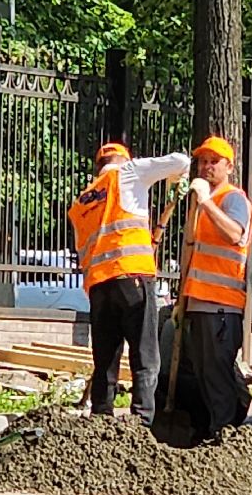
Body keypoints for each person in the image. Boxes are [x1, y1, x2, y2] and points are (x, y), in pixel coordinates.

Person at [68, 141, 190, 425]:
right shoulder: (127, 172)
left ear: (99, 165)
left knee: (106, 359)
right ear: (124, 159)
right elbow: (181, 162)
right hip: (132, 277)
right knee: (145, 354)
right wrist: (176, 182)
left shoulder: (82, 202)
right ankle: (142, 421)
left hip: (99, 287)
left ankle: (101, 417)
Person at [164, 134, 252, 439]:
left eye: (214, 161)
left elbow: (234, 234)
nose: (206, 167)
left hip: (222, 308)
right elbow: (191, 251)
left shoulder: (233, 199)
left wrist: (204, 202)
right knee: (204, 374)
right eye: (202, 161)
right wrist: (182, 299)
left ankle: (225, 433)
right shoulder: (203, 204)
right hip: (199, 303)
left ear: (229, 165)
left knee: (216, 375)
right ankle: (216, 428)